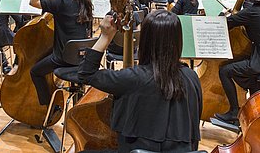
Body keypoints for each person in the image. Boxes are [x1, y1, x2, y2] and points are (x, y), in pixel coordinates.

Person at [78, 10, 203, 153]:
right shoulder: (192, 77)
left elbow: (86, 74)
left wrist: (105, 37)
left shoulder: (133, 78)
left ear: (145, 41)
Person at [29, 0, 93, 116]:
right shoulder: (86, 3)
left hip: (64, 58)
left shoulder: (62, 4)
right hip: (83, 57)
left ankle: (49, 107)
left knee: (35, 72)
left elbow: (33, 1)